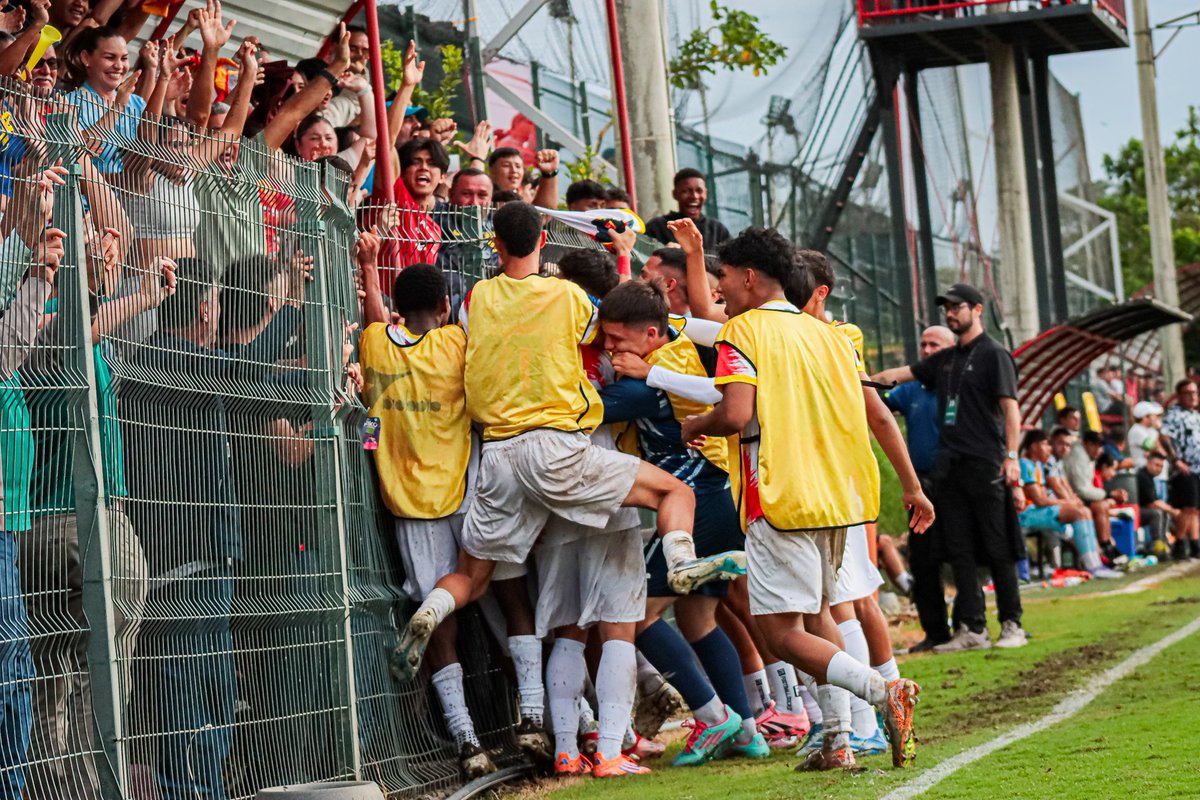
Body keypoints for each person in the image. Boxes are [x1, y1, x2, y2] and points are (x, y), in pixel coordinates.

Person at [389, 203, 743, 707]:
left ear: (496, 243)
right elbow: (621, 322)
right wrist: (623, 264)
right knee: (674, 491)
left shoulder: (474, 299)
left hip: (496, 457)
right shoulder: (568, 297)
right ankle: (681, 561)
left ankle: (431, 610)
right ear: (541, 240)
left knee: (471, 577)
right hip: (557, 446)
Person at [682, 227, 927, 772]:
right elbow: (874, 414)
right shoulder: (829, 335)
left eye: (721, 277)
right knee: (819, 615)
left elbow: (737, 414)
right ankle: (837, 741)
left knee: (781, 634)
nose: (719, 290)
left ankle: (885, 694)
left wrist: (698, 422)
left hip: (779, 494)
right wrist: (911, 485)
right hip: (836, 496)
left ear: (748, 276)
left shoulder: (742, 332)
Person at [597, 280, 769, 768]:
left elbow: (593, 407)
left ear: (650, 335)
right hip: (717, 497)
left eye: (617, 340)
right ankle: (747, 730)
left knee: (636, 615)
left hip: (702, 503)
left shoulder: (653, 374)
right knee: (697, 618)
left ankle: (712, 716)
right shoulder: (669, 344)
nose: (610, 350)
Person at [357, 263, 498, 778]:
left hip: (406, 501)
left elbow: (376, 322)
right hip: (464, 490)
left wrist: (370, 269)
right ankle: (554, 716)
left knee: (442, 627)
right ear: (445, 307)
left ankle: (467, 741)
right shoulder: (458, 345)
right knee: (492, 590)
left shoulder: (374, 345)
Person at [873, 282, 1027, 653]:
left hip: (986, 463)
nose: (950, 312)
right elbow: (897, 375)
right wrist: (851, 376)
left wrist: (1012, 457)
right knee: (959, 551)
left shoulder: (994, 355)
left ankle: (1012, 624)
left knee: (997, 546)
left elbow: (1010, 409)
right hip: (949, 468)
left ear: (977, 310)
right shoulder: (945, 361)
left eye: (957, 306)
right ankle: (972, 629)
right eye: (947, 307)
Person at [883, 325, 955, 651]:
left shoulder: (960, 388)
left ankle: (971, 624)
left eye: (935, 345)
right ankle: (936, 631)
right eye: (923, 344)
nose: (926, 350)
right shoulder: (912, 389)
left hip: (956, 483)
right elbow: (877, 400)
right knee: (923, 562)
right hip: (921, 486)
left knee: (962, 556)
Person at [1018, 430, 1117, 578]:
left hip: (1039, 511)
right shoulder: (1024, 464)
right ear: (1033, 446)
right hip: (1026, 515)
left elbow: (1045, 497)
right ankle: (1093, 566)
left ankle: (1096, 563)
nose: (1049, 448)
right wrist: (1066, 502)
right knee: (1078, 512)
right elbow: (1039, 500)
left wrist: (1068, 503)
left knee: (1084, 512)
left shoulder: (1037, 465)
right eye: (1045, 444)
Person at [645, 168, 731, 252]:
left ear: (706, 194)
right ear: (675, 194)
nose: (694, 196)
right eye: (686, 191)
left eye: (699, 191)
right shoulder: (657, 227)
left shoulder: (718, 230)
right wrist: (663, 255)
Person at [1162, 379, 1200, 560]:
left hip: (1198, 468)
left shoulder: (1195, 415)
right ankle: (1179, 543)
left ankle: (1194, 543)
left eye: (1195, 392)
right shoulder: (1174, 415)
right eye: (1188, 393)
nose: (1193, 396)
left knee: (1195, 509)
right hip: (1186, 468)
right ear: (1179, 395)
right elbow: (1165, 436)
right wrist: (1176, 460)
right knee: (1188, 507)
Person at [1136, 452, 1177, 558]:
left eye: (1161, 466)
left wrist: (1170, 510)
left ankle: (1164, 543)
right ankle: (1157, 546)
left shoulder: (1150, 477)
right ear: (1149, 463)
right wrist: (1174, 511)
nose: (1159, 468)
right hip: (1134, 512)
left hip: (1141, 510)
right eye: (1156, 465)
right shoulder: (1142, 476)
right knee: (1157, 513)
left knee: (1164, 513)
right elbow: (1152, 503)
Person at [1129, 400, 1165, 470]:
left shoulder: (1151, 430)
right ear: (1145, 417)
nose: (1156, 418)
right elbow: (1155, 448)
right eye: (1153, 415)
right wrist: (1159, 430)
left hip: (1157, 474)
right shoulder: (1136, 430)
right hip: (1143, 472)